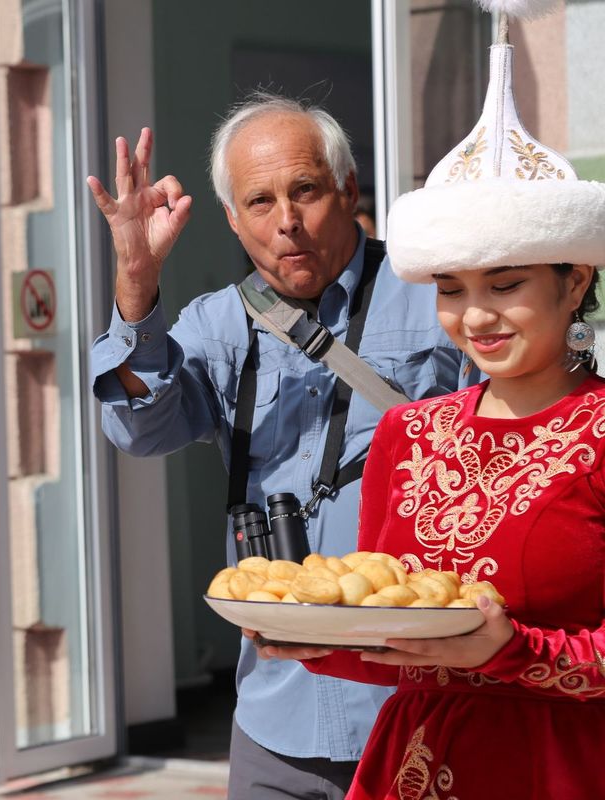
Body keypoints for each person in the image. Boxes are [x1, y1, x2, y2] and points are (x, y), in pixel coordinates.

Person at [251, 13, 605, 799]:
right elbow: (384, 633)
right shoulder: (413, 431)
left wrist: (513, 653)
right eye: (451, 290)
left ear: (573, 279)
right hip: (413, 765)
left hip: (566, 766)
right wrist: (301, 639)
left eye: (505, 285)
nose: (474, 317)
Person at [86, 92, 468, 799]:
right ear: (232, 220)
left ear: (348, 189)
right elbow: (138, 427)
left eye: (305, 191)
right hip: (276, 718)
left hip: (418, 702)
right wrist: (137, 282)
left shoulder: (435, 300)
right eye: (259, 202)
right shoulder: (218, 324)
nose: (285, 221)